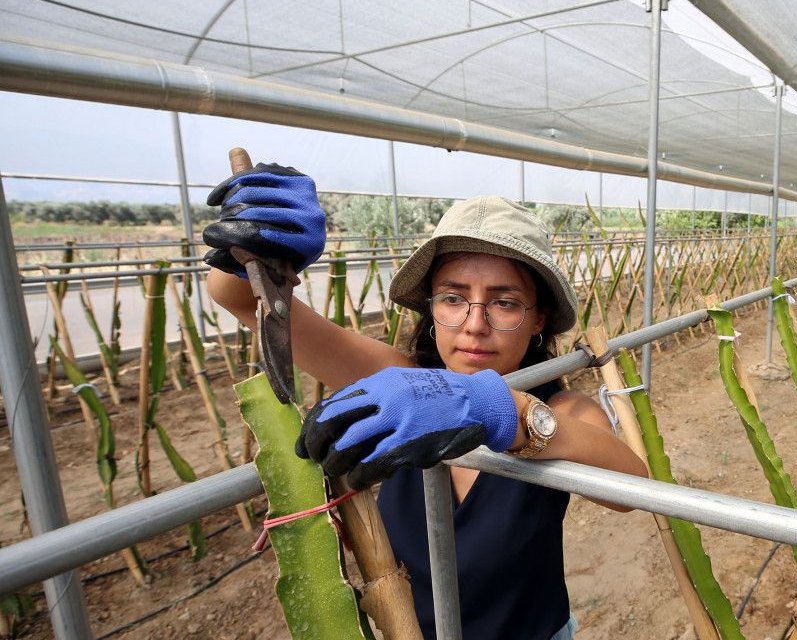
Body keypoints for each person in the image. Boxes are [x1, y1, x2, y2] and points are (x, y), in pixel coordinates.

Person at [203, 162, 647, 639]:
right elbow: (239, 297)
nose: (475, 324)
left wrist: (508, 413)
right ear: (431, 310)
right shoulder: (402, 384)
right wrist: (264, 249)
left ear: (538, 319)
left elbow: (631, 486)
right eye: (453, 298)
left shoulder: (560, 408)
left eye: (505, 302)